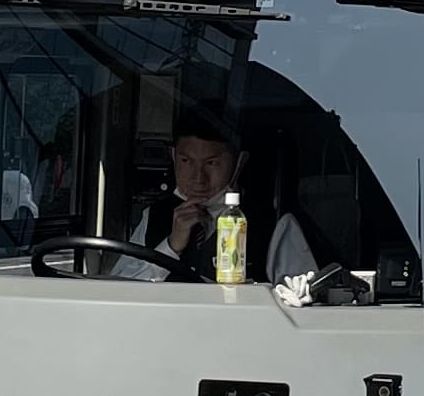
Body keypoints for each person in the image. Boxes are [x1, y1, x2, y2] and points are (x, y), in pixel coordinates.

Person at [119, 114, 316, 283]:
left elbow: (301, 297)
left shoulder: (274, 224)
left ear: (239, 161)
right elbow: (119, 289)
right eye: (186, 161)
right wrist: (171, 247)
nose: (198, 177)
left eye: (211, 163)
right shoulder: (154, 215)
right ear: (173, 156)